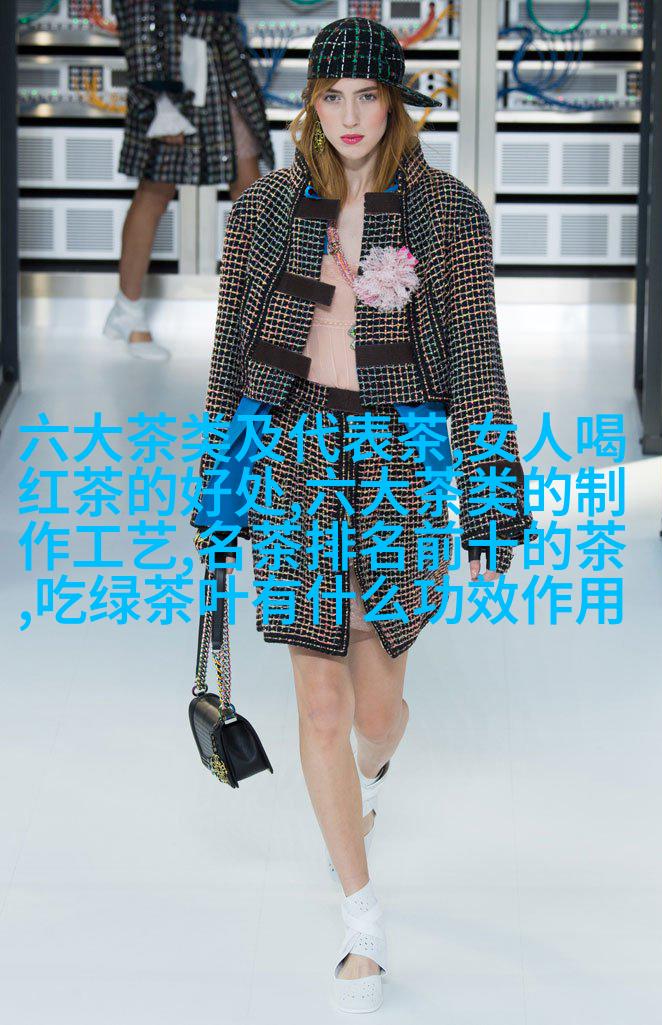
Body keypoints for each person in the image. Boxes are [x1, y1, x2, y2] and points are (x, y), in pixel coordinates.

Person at [191, 17, 536, 1012]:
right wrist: (218, 493)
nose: (348, 116)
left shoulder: (446, 212)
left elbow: (475, 358)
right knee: (320, 701)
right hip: (293, 456)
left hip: (398, 459)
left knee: (377, 710)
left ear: (394, 103)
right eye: (331, 97)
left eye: (367, 96)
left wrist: (490, 499)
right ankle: (362, 923)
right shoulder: (263, 210)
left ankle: (370, 780)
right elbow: (229, 356)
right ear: (311, 103)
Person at [104, 0, 274, 359]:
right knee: (156, 189)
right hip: (176, 71)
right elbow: (139, 15)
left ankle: (261, 317)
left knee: (251, 189)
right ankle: (128, 311)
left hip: (221, 63)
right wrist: (159, 96)